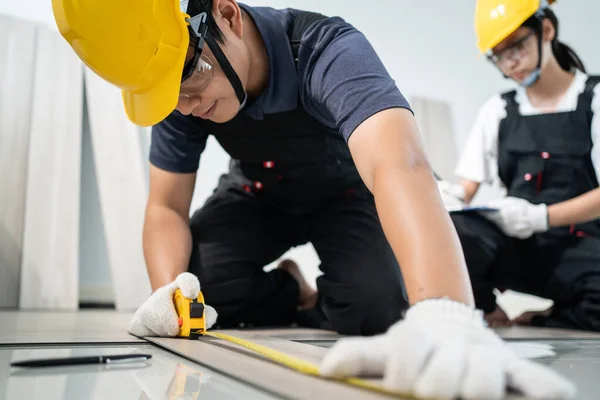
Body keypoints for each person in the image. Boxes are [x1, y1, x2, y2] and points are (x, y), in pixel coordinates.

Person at [52, 0, 575, 397]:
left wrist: (447, 310)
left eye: (188, 81)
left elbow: (400, 163)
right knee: (201, 289)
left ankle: (345, 297)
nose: (185, 107)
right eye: (168, 95)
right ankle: (294, 291)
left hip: (344, 192)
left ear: (227, 16)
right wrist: (169, 293)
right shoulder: (179, 89)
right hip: (257, 192)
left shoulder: (325, 49)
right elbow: (165, 208)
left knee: (377, 308)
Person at [440, 0, 600, 331]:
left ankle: (551, 319)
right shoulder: (497, 110)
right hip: (519, 249)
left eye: (517, 46)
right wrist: (448, 198)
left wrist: (541, 217)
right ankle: (486, 308)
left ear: (546, 30)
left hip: (582, 249)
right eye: (499, 55)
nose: (511, 62)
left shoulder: (594, 99)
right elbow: (465, 190)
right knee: (453, 231)